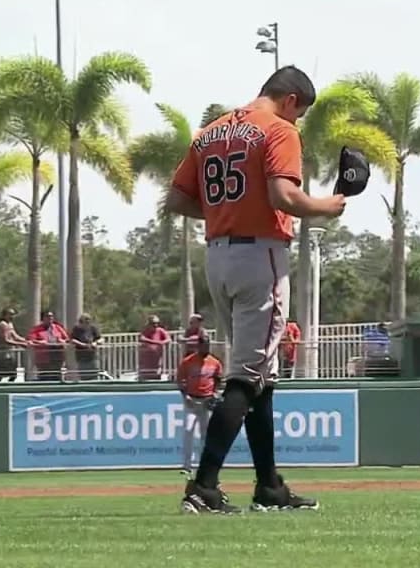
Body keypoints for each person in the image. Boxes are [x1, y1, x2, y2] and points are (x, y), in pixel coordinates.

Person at [163, 65, 346, 514]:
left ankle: (269, 487)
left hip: (218, 256)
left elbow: (176, 199)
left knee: (260, 376)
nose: (297, 121)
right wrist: (326, 206)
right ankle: (203, 486)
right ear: (290, 101)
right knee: (246, 377)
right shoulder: (278, 129)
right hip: (259, 256)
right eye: (299, 113)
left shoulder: (211, 131)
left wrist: (228, 211)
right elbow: (285, 196)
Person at [175, 335, 222, 476]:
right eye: (203, 345)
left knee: (205, 435)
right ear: (198, 345)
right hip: (192, 401)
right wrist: (185, 396)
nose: (206, 347)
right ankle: (187, 465)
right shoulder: (188, 361)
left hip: (206, 401)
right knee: (188, 430)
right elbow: (180, 380)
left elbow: (219, 379)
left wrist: (215, 393)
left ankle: (204, 465)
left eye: (208, 345)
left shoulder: (214, 362)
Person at [27, 311, 69, 382]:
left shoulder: (58, 327)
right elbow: (30, 340)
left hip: (57, 357)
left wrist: (62, 341)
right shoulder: (37, 329)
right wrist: (40, 342)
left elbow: (67, 339)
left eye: (51, 316)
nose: (50, 318)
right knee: (45, 377)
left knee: (56, 376)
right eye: (47, 316)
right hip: (44, 358)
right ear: (43, 318)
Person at [0, 307, 27, 382]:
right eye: (10, 314)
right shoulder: (2, 324)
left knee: (13, 374)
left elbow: (15, 336)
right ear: (4, 315)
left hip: (10, 352)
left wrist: (27, 340)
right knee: (0, 373)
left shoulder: (10, 324)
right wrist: (21, 344)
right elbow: (5, 340)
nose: (12, 316)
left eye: (13, 314)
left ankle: (9, 386)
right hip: (2, 352)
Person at [70, 314, 104, 381]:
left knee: (94, 375)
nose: (87, 322)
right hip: (81, 357)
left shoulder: (93, 328)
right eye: (85, 321)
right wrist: (82, 345)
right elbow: (72, 340)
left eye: (88, 321)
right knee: (84, 375)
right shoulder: (76, 329)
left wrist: (95, 343)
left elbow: (101, 339)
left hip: (92, 356)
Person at [138, 315, 171, 381]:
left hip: (157, 360)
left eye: (157, 323)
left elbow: (168, 339)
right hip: (145, 361)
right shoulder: (145, 331)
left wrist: (161, 342)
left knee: (156, 376)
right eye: (153, 323)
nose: (155, 325)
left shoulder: (160, 330)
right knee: (145, 377)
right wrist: (157, 342)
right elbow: (142, 338)